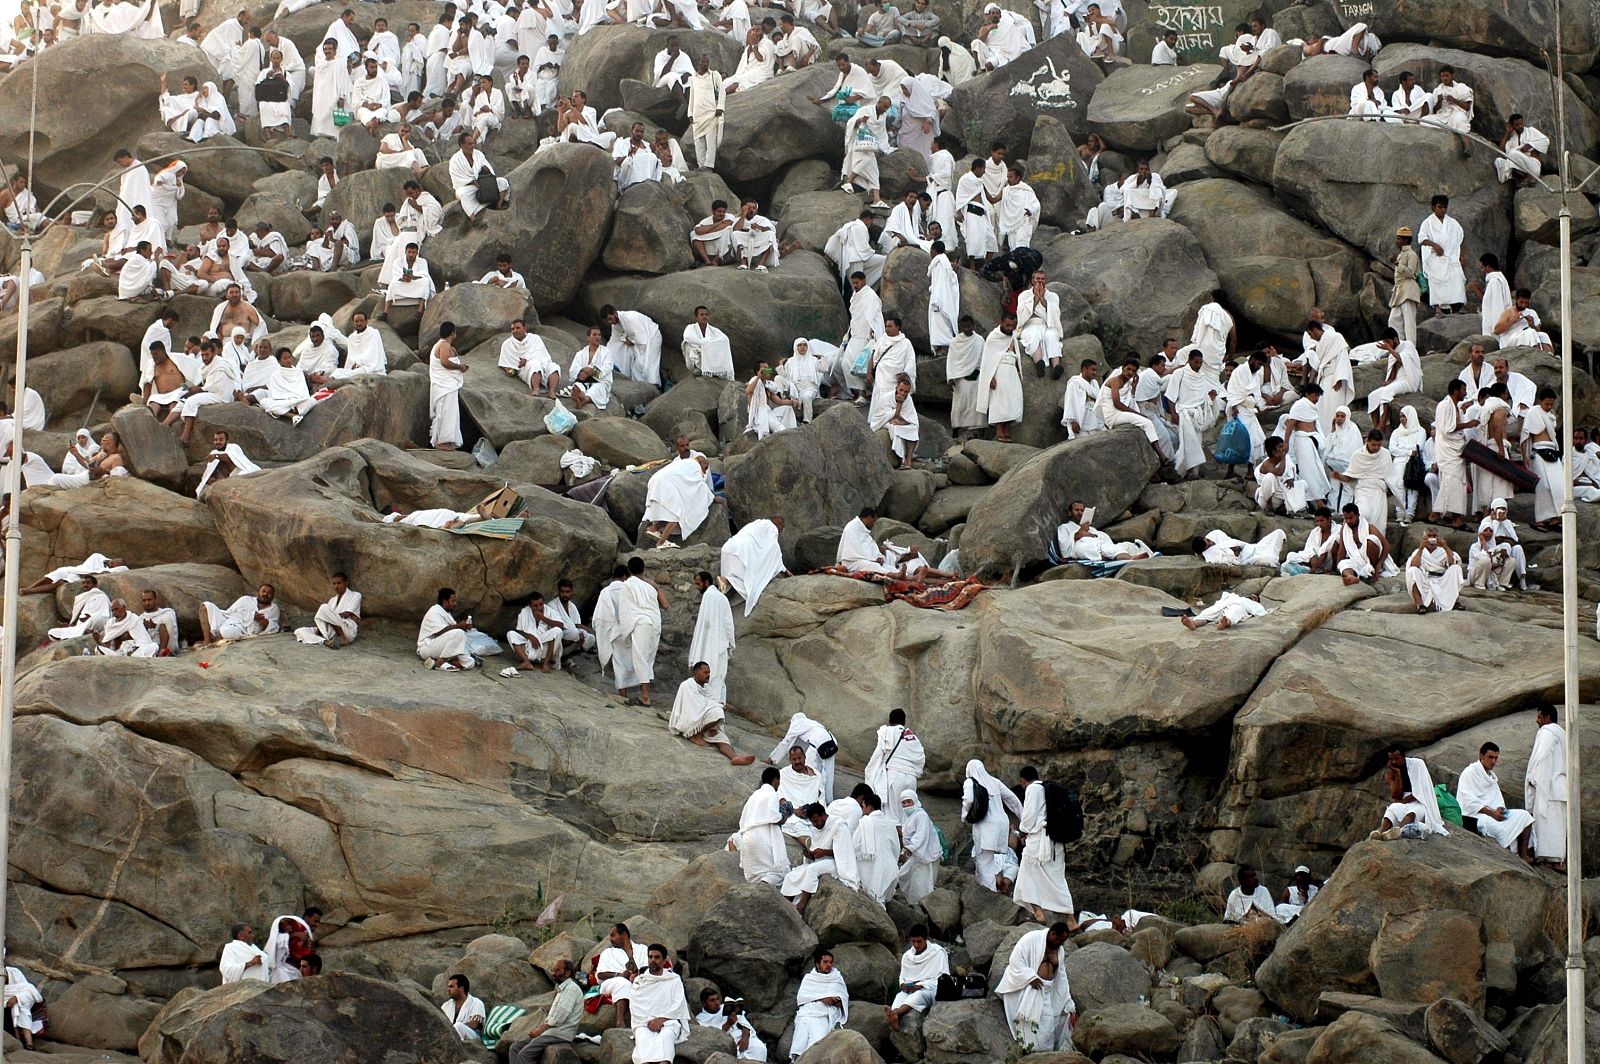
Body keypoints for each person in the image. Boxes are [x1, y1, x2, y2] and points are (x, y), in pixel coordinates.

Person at [995, 924, 1075, 1052]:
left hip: (1047, 991)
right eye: (1059, 940)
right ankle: (1030, 1052)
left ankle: (1044, 1054)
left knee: (1048, 1027)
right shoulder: (1031, 939)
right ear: (1053, 933)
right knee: (1031, 1025)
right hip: (1029, 987)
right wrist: (1030, 977)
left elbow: (1061, 976)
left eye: (1063, 941)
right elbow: (1015, 960)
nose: (1061, 944)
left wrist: (1068, 1001)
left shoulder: (1059, 950)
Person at [1456, 741, 1534, 861]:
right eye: (1490, 757)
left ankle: (1523, 855)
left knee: (1525, 816)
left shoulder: (1490, 776)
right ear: (1481, 756)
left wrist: (1499, 809)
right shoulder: (1470, 773)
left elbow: (1496, 799)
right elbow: (1467, 801)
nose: (1493, 761)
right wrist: (1491, 812)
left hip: (1493, 813)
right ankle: (1508, 859)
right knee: (1499, 828)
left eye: (1496, 758)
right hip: (1475, 816)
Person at [1016, 775, 1076, 923]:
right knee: (1057, 880)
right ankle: (1071, 919)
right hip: (1056, 841)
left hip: (1038, 842)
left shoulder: (1033, 789)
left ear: (1024, 780)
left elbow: (1028, 818)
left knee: (1026, 876)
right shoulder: (1051, 788)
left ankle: (1038, 913)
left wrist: (1022, 831)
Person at [669, 661, 755, 764]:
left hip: (703, 723)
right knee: (718, 711)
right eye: (705, 672)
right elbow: (691, 708)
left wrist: (713, 725)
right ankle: (696, 736)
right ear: (696, 672)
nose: (708, 675)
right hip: (689, 723)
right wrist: (715, 713)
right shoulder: (687, 685)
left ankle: (734, 757)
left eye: (709, 673)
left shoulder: (707, 689)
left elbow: (710, 704)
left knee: (720, 737)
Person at [506, 958, 583, 1064]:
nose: (553, 974)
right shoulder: (561, 988)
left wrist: (540, 1030)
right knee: (514, 1048)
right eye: (553, 970)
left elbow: (558, 1018)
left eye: (557, 971)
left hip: (560, 1033)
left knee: (524, 1055)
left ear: (567, 973)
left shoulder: (571, 990)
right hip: (551, 1031)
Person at [614, 556, 667, 706]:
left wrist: (625, 630)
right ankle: (645, 694)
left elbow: (624, 610)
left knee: (641, 659)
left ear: (629, 570)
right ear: (643, 569)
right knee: (648, 659)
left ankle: (645, 697)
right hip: (655, 624)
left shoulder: (627, 585)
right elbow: (665, 605)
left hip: (642, 624)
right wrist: (657, 586)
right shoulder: (650, 587)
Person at [964, 759, 1023, 891]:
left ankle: (988, 894)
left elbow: (968, 799)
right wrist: (1024, 819)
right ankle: (986, 888)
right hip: (1002, 823)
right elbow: (1012, 799)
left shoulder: (971, 782)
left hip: (986, 825)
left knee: (984, 862)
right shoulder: (995, 781)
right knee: (989, 860)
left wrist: (964, 814)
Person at [627, 945, 690, 1064]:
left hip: (668, 1022)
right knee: (643, 1046)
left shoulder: (674, 979)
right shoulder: (640, 980)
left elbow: (678, 1004)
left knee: (666, 1042)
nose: (653, 960)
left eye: (657, 957)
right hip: (644, 1023)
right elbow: (635, 1006)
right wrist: (650, 1021)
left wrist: (661, 1020)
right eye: (650, 957)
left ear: (664, 960)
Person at [642, 445, 714, 546]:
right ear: (701, 464)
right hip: (665, 485)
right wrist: (712, 497)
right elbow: (699, 485)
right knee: (677, 515)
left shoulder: (682, 463)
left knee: (668, 513)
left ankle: (653, 528)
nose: (705, 472)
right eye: (705, 468)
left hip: (655, 482)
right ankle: (661, 543)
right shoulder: (695, 466)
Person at [1373, 743, 1448, 838]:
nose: (1394, 762)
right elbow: (1396, 795)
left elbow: (1420, 792)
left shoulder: (1418, 764)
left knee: (1412, 813)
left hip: (1421, 801)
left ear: (1403, 757)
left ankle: (1397, 832)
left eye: (1396, 759)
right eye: (1391, 759)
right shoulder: (1391, 772)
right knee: (1392, 809)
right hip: (1404, 801)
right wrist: (1398, 775)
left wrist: (1402, 802)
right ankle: (1381, 834)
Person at [864, 709, 924, 824]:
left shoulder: (887, 732)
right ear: (904, 721)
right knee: (909, 814)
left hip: (894, 776)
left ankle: (897, 840)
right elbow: (921, 758)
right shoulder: (912, 737)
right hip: (911, 778)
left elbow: (878, 754)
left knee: (893, 816)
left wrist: (870, 772)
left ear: (889, 721)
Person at [1526, 706, 1568, 871]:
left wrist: (1535, 779)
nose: (1537, 721)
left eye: (1539, 717)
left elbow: (1541, 758)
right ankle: (1557, 860)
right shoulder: (1563, 734)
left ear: (1547, 717)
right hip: (1562, 787)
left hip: (1549, 786)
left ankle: (1551, 860)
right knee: (1557, 825)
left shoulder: (1547, 731)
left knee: (1548, 822)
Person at [885, 925, 948, 1032]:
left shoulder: (938, 952)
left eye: (919, 941)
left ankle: (896, 1013)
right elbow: (903, 977)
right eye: (913, 941)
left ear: (926, 939)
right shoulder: (907, 956)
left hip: (930, 989)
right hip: (911, 989)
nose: (916, 945)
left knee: (919, 995)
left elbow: (942, 978)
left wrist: (921, 985)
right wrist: (903, 985)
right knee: (900, 995)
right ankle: (894, 1020)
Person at [766, 712, 839, 803]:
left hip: (818, 744)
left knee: (811, 771)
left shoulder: (796, 724)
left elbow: (786, 742)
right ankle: (828, 800)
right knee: (828, 773)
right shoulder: (811, 723)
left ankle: (810, 796)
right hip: (832, 742)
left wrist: (772, 759)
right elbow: (800, 745)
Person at [738, 768, 791, 886]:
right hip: (762, 839)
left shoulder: (753, 796)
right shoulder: (771, 794)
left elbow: (742, 821)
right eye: (779, 780)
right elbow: (774, 816)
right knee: (776, 874)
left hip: (747, 839)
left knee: (754, 878)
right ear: (775, 780)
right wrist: (785, 813)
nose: (779, 783)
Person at [791, 950, 849, 1059]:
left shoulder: (837, 978)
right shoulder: (809, 978)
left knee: (818, 1045)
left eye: (831, 962)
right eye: (825, 962)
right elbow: (802, 998)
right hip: (808, 1013)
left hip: (825, 1015)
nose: (829, 965)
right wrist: (822, 999)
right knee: (803, 1027)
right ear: (818, 964)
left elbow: (844, 998)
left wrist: (836, 1000)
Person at [976, 312, 1023, 442]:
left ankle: (1007, 430)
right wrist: (989, 377)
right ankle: (999, 432)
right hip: (999, 372)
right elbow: (987, 360)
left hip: (1012, 371)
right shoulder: (993, 337)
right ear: (1001, 322)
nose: (1010, 328)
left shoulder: (1012, 336)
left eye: (1012, 326)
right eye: (1007, 325)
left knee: (1014, 401)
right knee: (999, 401)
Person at [689, 570, 734, 700]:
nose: (697, 587)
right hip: (720, 647)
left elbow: (704, 626)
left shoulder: (709, 597)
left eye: (698, 584)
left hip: (709, 646)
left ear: (706, 582)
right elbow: (728, 625)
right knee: (718, 678)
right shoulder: (721, 597)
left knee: (709, 679)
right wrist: (730, 644)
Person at [1055, 500, 1151, 561]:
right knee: (1087, 548)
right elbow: (1065, 547)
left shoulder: (1091, 528)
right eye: (1076, 510)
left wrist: (1089, 534)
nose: (1080, 513)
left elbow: (1102, 539)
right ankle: (1127, 558)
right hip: (1083, 547)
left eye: (1082, 510)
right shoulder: (1064, 527)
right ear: (1070, 513)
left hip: (1099, 546)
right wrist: (1080, 533)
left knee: (1124, 545)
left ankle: (1131, 557)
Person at [1418, 195, 1467, 311]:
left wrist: (1462, 255)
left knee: (1457, 279)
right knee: (1436, 283)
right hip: (1436, 259)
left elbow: (1460, 239)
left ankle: (1459, 306)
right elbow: (1422, 238)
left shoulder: (1453, 223)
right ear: (1433, 207)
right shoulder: (1427, 223)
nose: (1443, 210)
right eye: (1440, 207)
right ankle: (1438, 308)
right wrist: (1434, 245)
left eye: (1445, 207)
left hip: (1451, 258)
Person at [450, 132, 508, 225]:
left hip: (483, 184)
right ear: (462, 145)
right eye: (469, 144)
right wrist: (472, 182)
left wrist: (486, 171)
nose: (472, 146)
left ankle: (498, 205)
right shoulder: (455, 160)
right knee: (462, 194)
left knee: (502, 182)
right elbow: (457, 180)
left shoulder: (478, 154)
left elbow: (490, 170)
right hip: (468, 187)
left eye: (473, 143)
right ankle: (473, 218)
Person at [293, 572, 362, 648]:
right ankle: (326, 642)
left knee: (323, 607)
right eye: (334, 584)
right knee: (299, 631)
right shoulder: (332, 600)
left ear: (346, 583)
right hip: (331, 630)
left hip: (347, 630)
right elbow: (325, 616)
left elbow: (347, 614)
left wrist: (329, 617)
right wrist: (321, 627)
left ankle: (342, 637)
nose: (336, 586)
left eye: (339, 583)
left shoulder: (356, 595)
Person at [427, 322, 466, 450]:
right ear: (453, 332)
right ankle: (442, 441)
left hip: (448, 384)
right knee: (445, 411)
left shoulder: (446, 345)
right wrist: (460, 367)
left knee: (451, 412)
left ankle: (448, 441)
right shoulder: (443, 344)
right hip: (444, 385)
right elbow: (444, 362)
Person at [198, 584, 279, 645]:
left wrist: (267, 625)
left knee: (226, 631)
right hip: (227, 620)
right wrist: (252, 615)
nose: (265, 594)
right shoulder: (246, 599)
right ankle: (207, 641)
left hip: (241, 630)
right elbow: (230, 612)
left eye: (269, 593)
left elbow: (275, 626)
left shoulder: (274, 609)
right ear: (258, 592)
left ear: (273, 596)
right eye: (263, 591)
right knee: (205, 606)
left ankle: (214, 640)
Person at [697, 989, 766, 1061]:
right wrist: (728, 1023)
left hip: (742, 1038)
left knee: (760, 1048)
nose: (717, 1003)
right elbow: (712, 1038)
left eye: (717, 999)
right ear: (704, 1003)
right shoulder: (701, 1019)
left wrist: (745, 1038)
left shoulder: (726, 1007)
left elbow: (745, 1024)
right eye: (712, 1000)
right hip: (727, 1044)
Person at [418, 587, 476, 671]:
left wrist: (465, 627)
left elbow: (453, 633)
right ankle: (441, 662)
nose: (455, 604)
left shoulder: (446, 613)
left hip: (441, 648)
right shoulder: (434, 611)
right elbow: (440, 632)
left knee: (470, 662)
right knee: (459, 633)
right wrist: (460, 626)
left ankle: (441, 661)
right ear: (445, 601)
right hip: (427, 648)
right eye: (453, 601)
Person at [499, 318, 560, 397]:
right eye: (513, 329)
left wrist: (526, 358)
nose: (515, 331)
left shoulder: (535, 338)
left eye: (518, 328)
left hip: (541, 362)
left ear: (525, 328)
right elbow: (505, 361)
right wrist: (518, 364)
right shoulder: (507, 344)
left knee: (554, 367)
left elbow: (540, 352)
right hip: (525, 367)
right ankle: (536, 389)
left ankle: (552, 391)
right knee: (535, 365)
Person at [681, 306, 735, 379]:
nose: (704, 317)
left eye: (706, 314)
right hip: (698, 354)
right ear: (696, 317)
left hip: (710, 355)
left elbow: (725, 339)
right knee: (686, 344)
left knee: (720, 344)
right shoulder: (691, 327)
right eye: (702, 315)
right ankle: (696, 368)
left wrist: (709, 345)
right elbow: (688, 337)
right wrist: (704, 343)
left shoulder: (713, 330)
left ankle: (715, 371)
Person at [1495, 113, 1548, 183]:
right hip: (1522, 168)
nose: (1520, 126)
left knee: (1513, 153)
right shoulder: (1512, 140)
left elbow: (1545, 140)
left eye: (1521, 123)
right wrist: (1508, 133)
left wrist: (1530, 145)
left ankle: (1526, 178)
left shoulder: (1531, 131)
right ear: (1512, 126)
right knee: (1498, 161)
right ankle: (1518, 179)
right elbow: (1501, 151)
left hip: (1534, 167)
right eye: (1517, 125)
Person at [1179, 591, 1267, 631]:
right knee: (1208, 613)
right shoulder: (1235, 596)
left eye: (1254, 597)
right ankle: (1193, 623)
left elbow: (1260, 611)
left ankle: (1224, 623)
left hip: (1238, 606)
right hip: (1223, 605)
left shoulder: (1250, 602)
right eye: (1250, 596)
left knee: (1234, 612)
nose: (1251, 597)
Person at [3, 960, 43, 1048]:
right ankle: (17, 1041)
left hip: (22, 1005)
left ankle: (29, 1043)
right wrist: (7, 1003)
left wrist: (17, 998)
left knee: (21, 1009)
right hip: (5, 1011)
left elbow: (29, 990)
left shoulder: (15, 973)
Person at [441, 973, 486, 1043]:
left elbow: (474, 1024)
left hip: (472, 1036)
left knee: (459, 1026)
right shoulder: (446, 1006)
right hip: (449, 1036)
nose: (448, 989)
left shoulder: (476, 1003)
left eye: (451, 987)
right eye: (448, 987)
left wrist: (453, 1029)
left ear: (461, 988)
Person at [1430, 66, 1473, 134]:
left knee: (1460, 120)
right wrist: (1439, 101)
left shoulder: (1461, 88)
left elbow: (1467, 107)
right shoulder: (1438, 90)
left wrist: (1454, 100)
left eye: (1447, 76)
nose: (1445, 78)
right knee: (1424, 121)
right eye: (1443, 76)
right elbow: (1435, 111)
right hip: (1442, 116)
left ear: (1452, 75)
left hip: (1456, 113)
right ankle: (1448, 129)